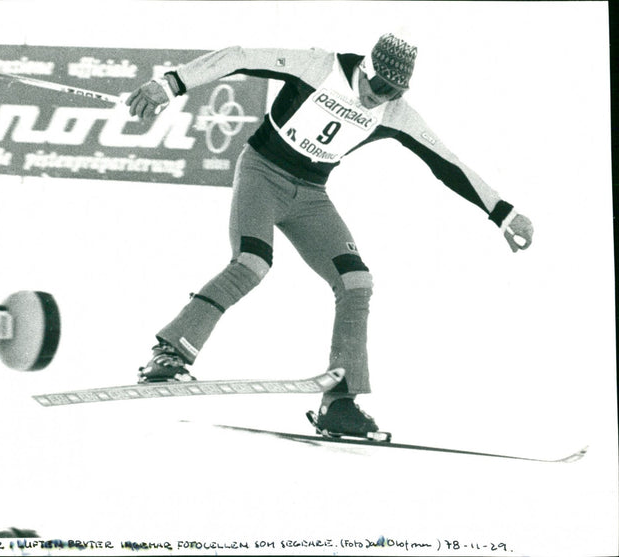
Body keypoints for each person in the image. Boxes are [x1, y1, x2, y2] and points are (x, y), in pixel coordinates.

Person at [125, 33, 534, 436]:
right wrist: (169, 84)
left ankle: (339, 403)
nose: (381, 97)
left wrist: (503, 212)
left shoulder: (394, 112)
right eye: (378, 86)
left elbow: (447, 162)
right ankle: (170, 352)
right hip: (262, 174)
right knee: (252, 264)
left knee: (356, 283)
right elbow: (238, 56)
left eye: (393, 91)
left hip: (311, 197)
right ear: (366, 70)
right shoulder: (319, 67)